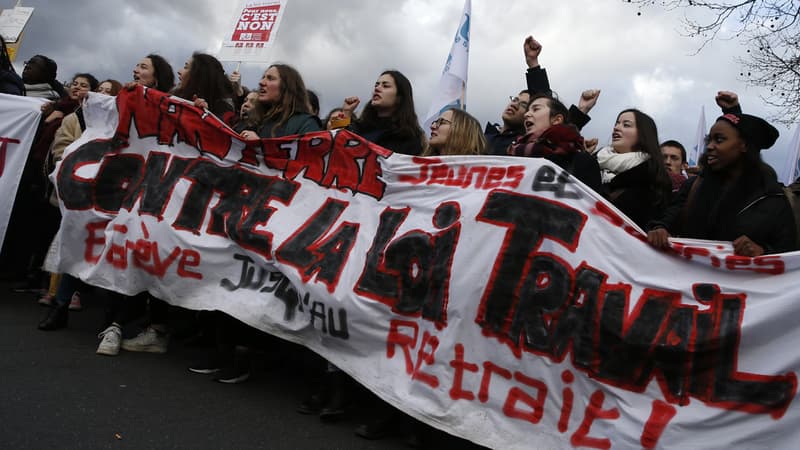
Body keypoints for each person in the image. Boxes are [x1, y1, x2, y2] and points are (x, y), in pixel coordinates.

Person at [648, 111, 798, 256]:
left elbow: (788, 253)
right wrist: (660, 228)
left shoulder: (773, 197)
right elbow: (667, 219)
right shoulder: (694, 186)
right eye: (709, 140)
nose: (710, 147)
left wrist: (763, 251)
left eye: (719, 140)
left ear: (744, 145)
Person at [593, 109, 672, 229]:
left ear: (643, 134)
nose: (617, 128)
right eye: (617, 123)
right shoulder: (592, 161)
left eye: (626, 125)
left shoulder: (654, 178)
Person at [509, 93, 602, 192]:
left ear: (557, 120)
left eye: (536, 109)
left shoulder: (581, 162)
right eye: (527, 111)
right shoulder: (511, 157)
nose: (526, 114)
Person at [340, 70, 426, 155]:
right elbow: (336, 147)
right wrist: (346, 113)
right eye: (376, 85)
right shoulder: (358, 128)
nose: (377, 88)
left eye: (385, 86)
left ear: (399, 98)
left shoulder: (410, 139)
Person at [240, 64, 320, 139]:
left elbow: (309, 153)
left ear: (287, 86)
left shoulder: (305, 123)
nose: (261, 82)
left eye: (270, 78)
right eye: (263, 77)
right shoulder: (256, 123)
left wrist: (259, 145)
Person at [174, 52, 236, 126]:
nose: (179, 72)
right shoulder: (174, 100)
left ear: (198, 76)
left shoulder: (223, 111)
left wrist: (203, 117)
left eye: (186, 67)